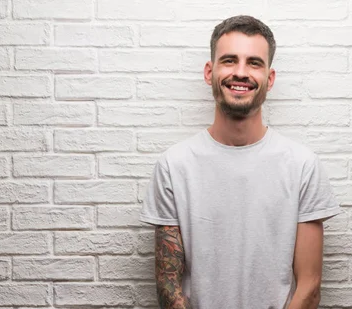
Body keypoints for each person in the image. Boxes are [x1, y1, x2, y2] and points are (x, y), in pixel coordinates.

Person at [140, 15, 341, 309]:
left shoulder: (302, 166)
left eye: (254, 63)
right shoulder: (174, 166)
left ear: (269, 79)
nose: (241, 72)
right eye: (230, 60)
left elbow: (309, 287)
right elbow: (168, 284)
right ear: (210, 72)